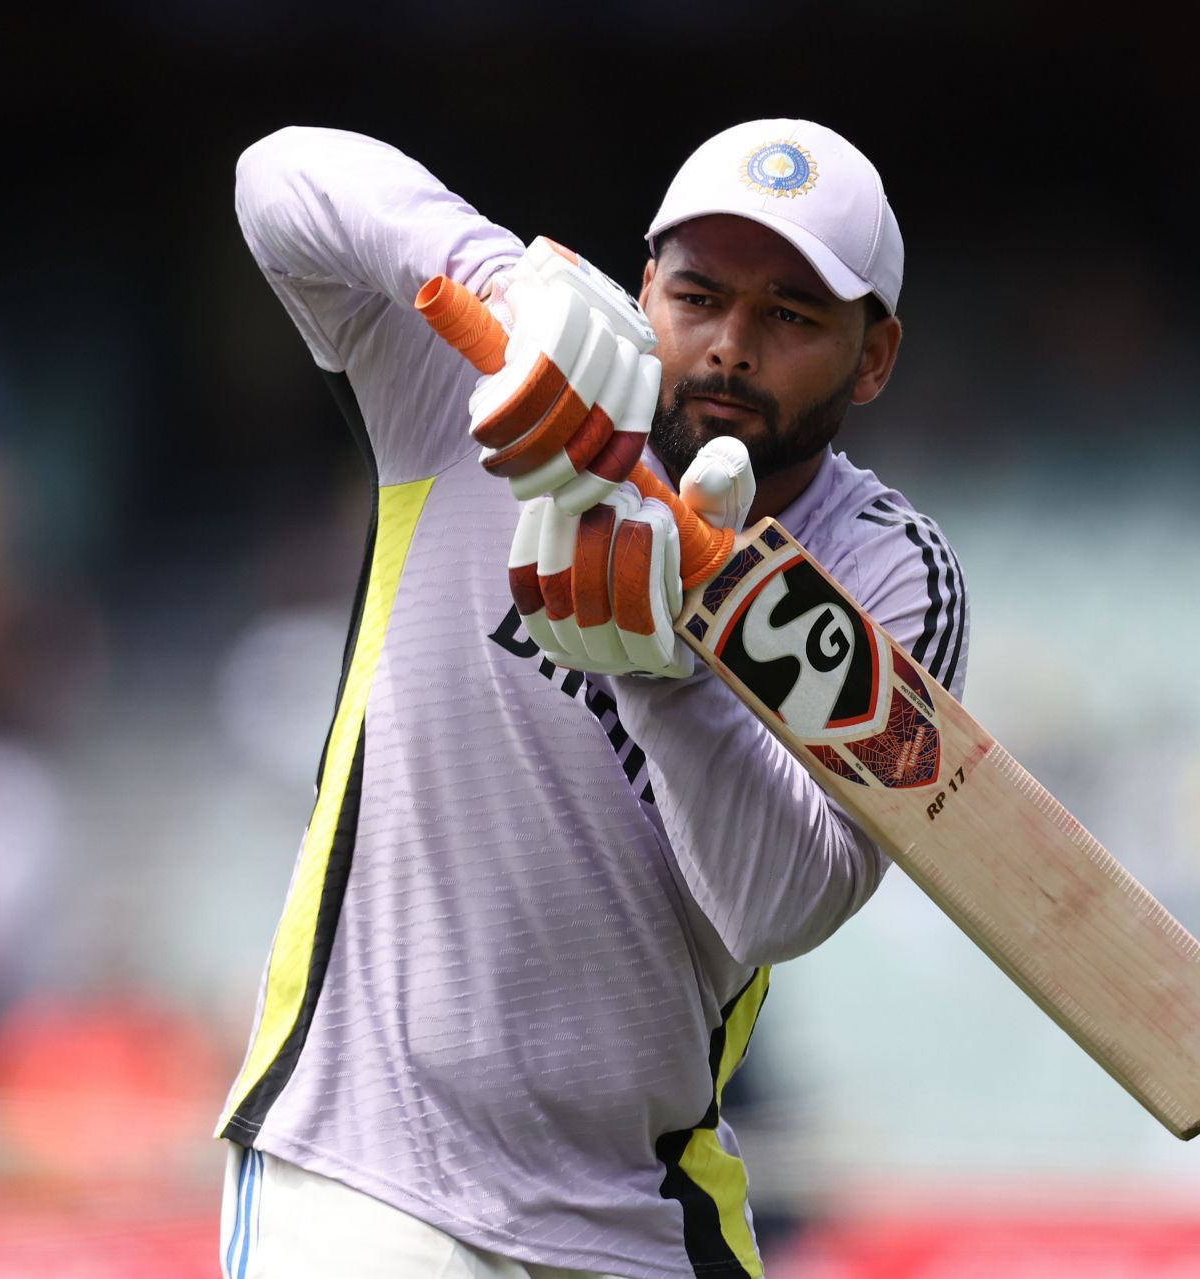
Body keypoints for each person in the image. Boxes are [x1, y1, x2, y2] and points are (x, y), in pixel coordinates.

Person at [219, 119, 968, 1279]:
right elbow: (277, 178)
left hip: (640, 1206)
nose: (728, 347)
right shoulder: (475, 381)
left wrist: (670, 674)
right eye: (699, 295)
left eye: (791, 316)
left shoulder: (882, 574)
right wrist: (499, 286)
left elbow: (780, 906)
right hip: (362, 1159)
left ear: (874, 358)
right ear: (643, 287)